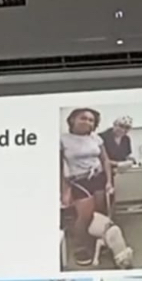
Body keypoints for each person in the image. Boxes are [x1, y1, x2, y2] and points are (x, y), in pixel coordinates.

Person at [60, 108, 113, 266]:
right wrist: (64, 190)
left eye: (91, 120)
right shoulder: (63, 139)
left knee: (100, 214)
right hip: (79, 180)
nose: (87, 122)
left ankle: (98, 243)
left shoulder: (96, 138)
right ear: (72, 120)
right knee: (84, 217)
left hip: (99, 177)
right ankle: (80, 248)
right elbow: (57, 166)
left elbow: (105, 160)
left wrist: (109, 182)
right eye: (83, 118)